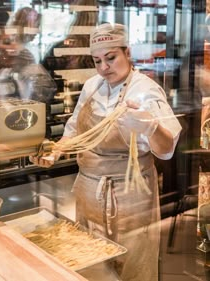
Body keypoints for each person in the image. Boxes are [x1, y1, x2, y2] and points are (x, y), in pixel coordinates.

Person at [30, 23, 182, 281]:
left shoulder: (144, 91)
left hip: (128, 195)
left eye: (111, 58)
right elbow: (75, 128)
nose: (103, 68)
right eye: (97, 60)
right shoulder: (92, 85)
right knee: (90, 260)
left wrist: (151, 126)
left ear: (127, 53)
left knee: (133, 264)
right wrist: (56, 151)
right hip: (89, 190)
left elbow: (166, 149)